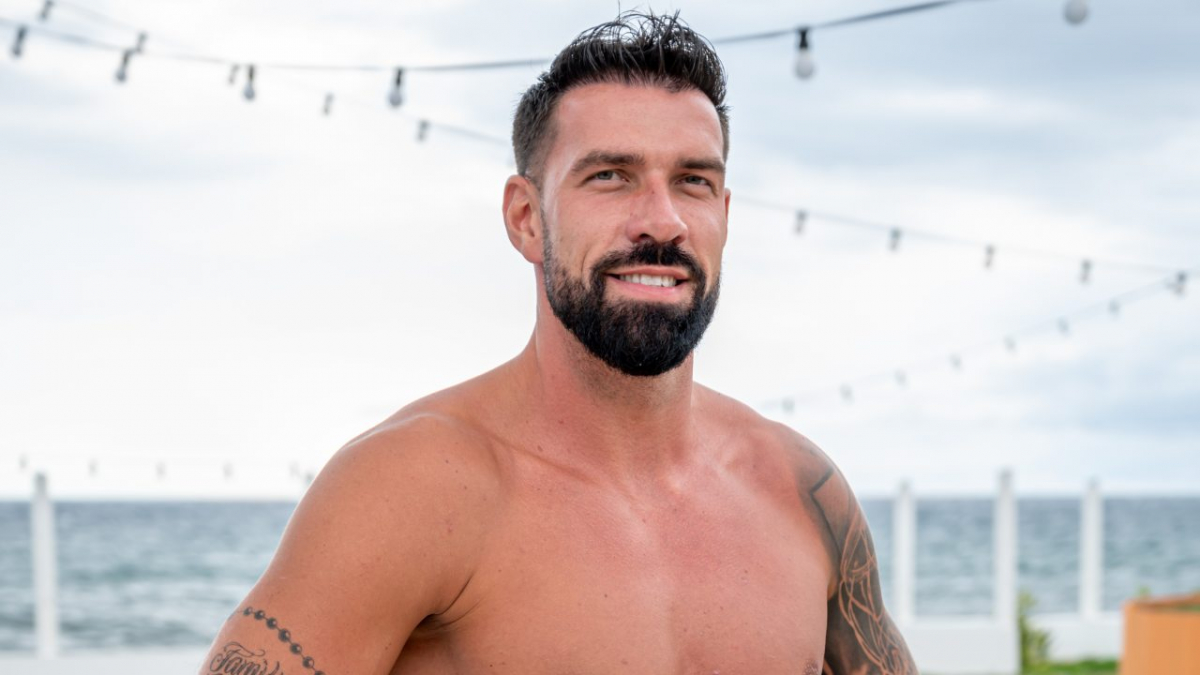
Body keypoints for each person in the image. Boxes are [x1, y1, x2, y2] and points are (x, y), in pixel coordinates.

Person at [200, 12, 916, 675]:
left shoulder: (799, 489)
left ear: (723, 216)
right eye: (611, 177)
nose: (662, 220)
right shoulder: (410, 490)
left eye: (693, 181)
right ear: (525, 218)